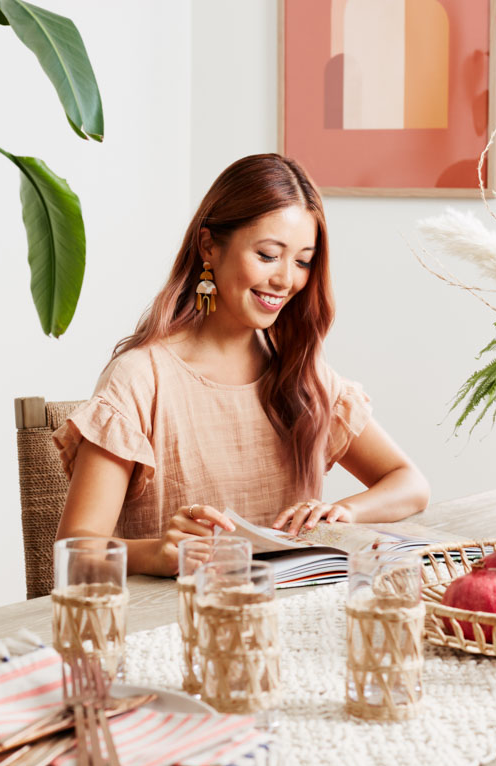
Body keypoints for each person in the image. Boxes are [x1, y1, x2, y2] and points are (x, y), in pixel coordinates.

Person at [53, 153, 430, 576]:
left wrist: (342, 512)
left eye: (303, 260)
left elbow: (410, 484)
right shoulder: (143, 377)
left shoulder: (301, 373)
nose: (286, 280)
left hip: (290, 619)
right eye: (269, 255)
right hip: (178, 624)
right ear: (209, 245)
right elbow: (75, 550)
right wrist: (156, 553)